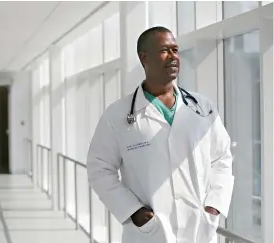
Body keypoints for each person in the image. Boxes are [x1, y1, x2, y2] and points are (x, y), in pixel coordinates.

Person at [86, 26, 234, 243]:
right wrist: (134, 211)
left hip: (198, 231)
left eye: (176, 50)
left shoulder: (203, 108)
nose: (174, 56)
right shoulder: (117, 115)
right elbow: (99, 168)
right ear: (143, 57)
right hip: (150, 233)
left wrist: (214, 206)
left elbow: (222, 157)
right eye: (165, 50)